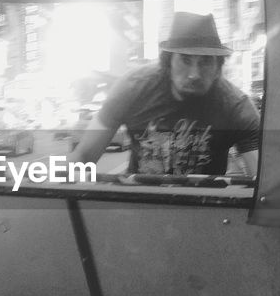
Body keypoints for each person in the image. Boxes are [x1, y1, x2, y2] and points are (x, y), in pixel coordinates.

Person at [68, 11, 260, 177]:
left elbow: (264, 178)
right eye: (185, 60)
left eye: (205, 62)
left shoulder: (236, 107)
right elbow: (83, 157)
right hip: (139, 208)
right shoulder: (133, 88)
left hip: (204, 213)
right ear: (168, 63)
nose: (194, 74)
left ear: (218, 68)